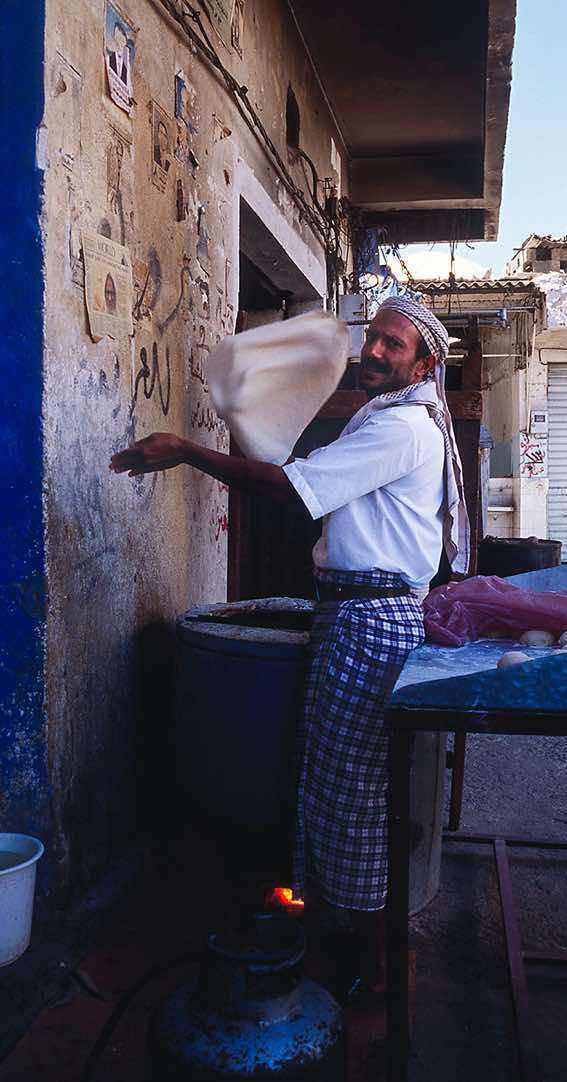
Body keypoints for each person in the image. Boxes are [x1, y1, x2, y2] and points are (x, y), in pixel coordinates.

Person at [109, 296, 469, 996]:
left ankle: (370, 965)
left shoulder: (402, 431)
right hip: (354, 613)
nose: (375, 352)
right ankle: (346, 932)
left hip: (371, 621)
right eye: (374, 340)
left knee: (354, 794)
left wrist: (185, 450)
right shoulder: (384, 416)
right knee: (336, 785)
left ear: (424, 363)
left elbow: (291, 490)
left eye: (394, 346)